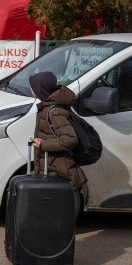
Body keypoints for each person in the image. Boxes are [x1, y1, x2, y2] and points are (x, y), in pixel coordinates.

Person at [29, 71, 86, 214]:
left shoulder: (54, 111)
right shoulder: (47, 107)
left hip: (58, 168)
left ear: (40, 89)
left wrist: (44, 145)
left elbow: (70, 139)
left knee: (59, 211)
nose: (30, 89)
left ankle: (60, 234)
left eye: (33, 86)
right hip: (52, 166)